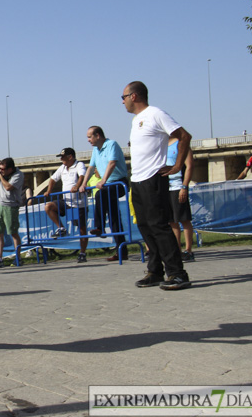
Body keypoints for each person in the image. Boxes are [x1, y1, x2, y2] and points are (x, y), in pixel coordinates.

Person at [122, 80, 192, 290]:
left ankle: (178, 273)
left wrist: (178, 164)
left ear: (134, 96)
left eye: (123, 97)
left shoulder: (155, 113)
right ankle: (155, 271)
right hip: (138, 180)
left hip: (154, 178)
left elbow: (184, 136)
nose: (122, 102)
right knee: (144, 226)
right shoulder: (136, 120)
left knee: (160, 226)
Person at [80, 126, 130, 262]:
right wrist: (83, 184)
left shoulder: (111, 144)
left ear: (98, 135)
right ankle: (122, 251)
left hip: (118, 183)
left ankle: (99, 226)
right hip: (108, 186)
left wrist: (103, 180)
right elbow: (90, 167)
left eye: (90, 137)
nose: (88, 140)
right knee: (114, 218)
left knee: (99, 195)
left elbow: (112, 163)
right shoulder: (96, 150)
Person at [44, 147, 89, 263]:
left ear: (70, 157)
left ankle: (83, 253)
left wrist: (77, 186)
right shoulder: (62, 167)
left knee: (82, 230)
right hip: (66, 202)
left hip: (78, 204)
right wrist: (49, 190)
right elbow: (53, 179)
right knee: (48, 207)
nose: (61, 159)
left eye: (63, 157)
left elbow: (82, 176)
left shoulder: (79, 165)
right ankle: (61, 228)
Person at [0, 157, 24, 268]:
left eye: (3, 169)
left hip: (11, 206)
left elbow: (8, 187)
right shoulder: (3, 172)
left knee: (13, 233)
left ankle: (18, 257)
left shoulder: (18, 175)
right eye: (0, 169)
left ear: (10, 169)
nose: (1, 171)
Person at [167, 136, 196, 262]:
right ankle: (176, 250)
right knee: (172, 221)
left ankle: (188, 250)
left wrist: (184, 186)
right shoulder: (161, 144)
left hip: (178, 186)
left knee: (184, 219)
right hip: (166, 187)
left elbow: (189, 166)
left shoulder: (181, 144)